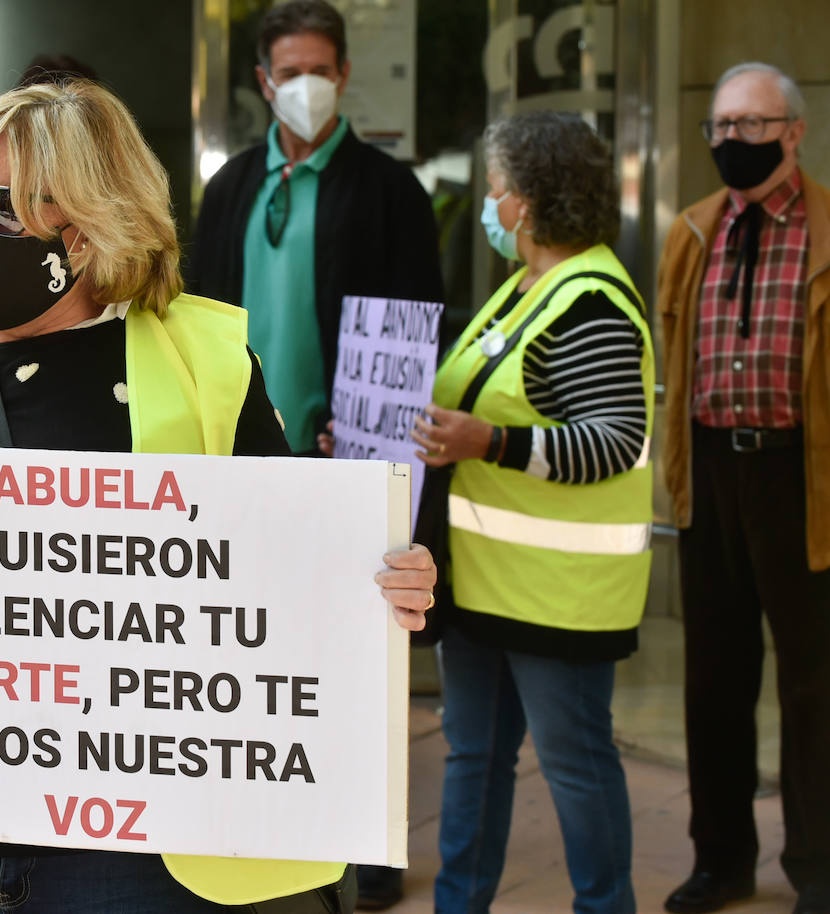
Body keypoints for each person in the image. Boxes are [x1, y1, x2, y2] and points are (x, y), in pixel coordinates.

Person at [0, 79, 437, 914]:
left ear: (85, 229)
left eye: (2, 209)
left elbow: (289, 575)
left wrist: (385, 583)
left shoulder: (207, 365)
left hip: (137, 858)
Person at [411, 111, 653, 914]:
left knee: (576, 766)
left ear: (532, 199)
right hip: (484, 588)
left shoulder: (588, 302)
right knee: (472, 760)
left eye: (498, 187)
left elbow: (614, 440)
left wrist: (490, 443)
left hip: (559, 599)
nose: (489, 201)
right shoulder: (526, 289)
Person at [657, 62, 830, 914]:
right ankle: (720, 860)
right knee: (714, 678)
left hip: (805, 474)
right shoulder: (692, 230)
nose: (732, 141)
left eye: (752, 127)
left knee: (814, 685)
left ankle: (820, 869)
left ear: (794, 133)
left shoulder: (829, 227)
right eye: (720, 127)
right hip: (713, 471)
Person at [188, 0, 443, 464]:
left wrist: (373, 426)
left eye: (320, 71)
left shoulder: (392, 192)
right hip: (233, 441)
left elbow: (413, 330)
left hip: (340, 449)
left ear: (342, 76)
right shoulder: (229, 187)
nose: (306, 86)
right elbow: (197, 304)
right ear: (266, 82)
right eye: (290, 74)